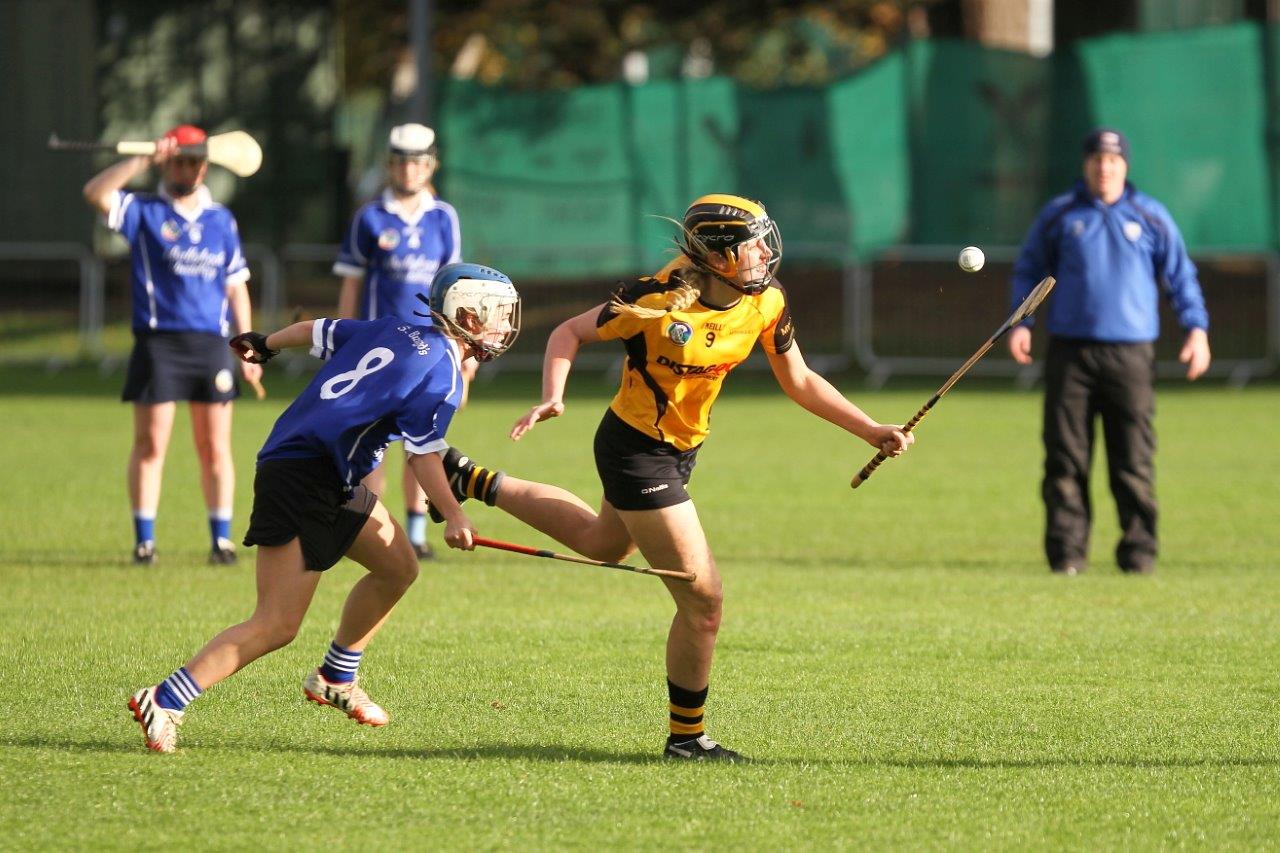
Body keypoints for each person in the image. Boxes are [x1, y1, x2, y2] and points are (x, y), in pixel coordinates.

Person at [431, 194, 913, 761]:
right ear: (715, 255)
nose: (764, 252)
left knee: (601, 544)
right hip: (636, 451)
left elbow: (800, 379)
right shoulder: (652, 301)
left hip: (681, 451)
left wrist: (868, 429)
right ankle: (687, 738)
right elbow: (568, 333)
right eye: (750, 243)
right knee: (704, 601)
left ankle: (467, 476)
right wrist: (552, 397)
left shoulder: (766, 302)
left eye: (764, 239)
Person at [126, 262, 520, 753]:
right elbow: (421, 455)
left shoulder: (394, 325)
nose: (506, 324)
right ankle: (165, 698)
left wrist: (267, 343)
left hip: (327, 473)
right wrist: (455, 514)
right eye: (499, 314)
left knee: (397, 566)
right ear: (468, 314)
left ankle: (336, 677)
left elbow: (316, 329)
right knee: (276, 624)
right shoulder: (444, 374)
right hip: (303, 475)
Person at [1008, 128, 1211, 576]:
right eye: (1098, 159)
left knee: (1133, 457)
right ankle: (1066, 555)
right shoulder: (1061, 214)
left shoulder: (1150, 215)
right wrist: (1022, 322)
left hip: (1131, 354)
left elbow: (1181, 276)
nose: (1105, 167)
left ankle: (1138, 553)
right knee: (1064, 457)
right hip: (1070, 352)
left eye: (1113, 160)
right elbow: (1029, 270)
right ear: (1086, 164)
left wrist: (1196, 330)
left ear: (1125, 166)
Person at [83, 124, 263, 566]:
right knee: (150, 444)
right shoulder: (143, 211)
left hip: (211, 345)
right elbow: (95, 192)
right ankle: (145, 541)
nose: (191, 169)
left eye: (197, 161)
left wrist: (248, 345)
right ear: (169, 162)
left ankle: (220, 540)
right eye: (182, 160)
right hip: (159, 344)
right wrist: (142, 159)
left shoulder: (221, 219)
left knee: (215, 447)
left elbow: (236, 288)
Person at [332, 123, 475, 561]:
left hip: (430, 348)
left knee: (422, 439)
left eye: (417, 162)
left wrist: (462, 351)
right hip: (379, 348)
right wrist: (343, 338)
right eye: (400, 161)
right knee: (374, 444)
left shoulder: (443, 216)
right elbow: (352, 286)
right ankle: (370, 527)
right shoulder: (369, 216)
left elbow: (455, 286)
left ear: (429, 165)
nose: (409, 170)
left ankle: (415, 531)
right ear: (390, 165)